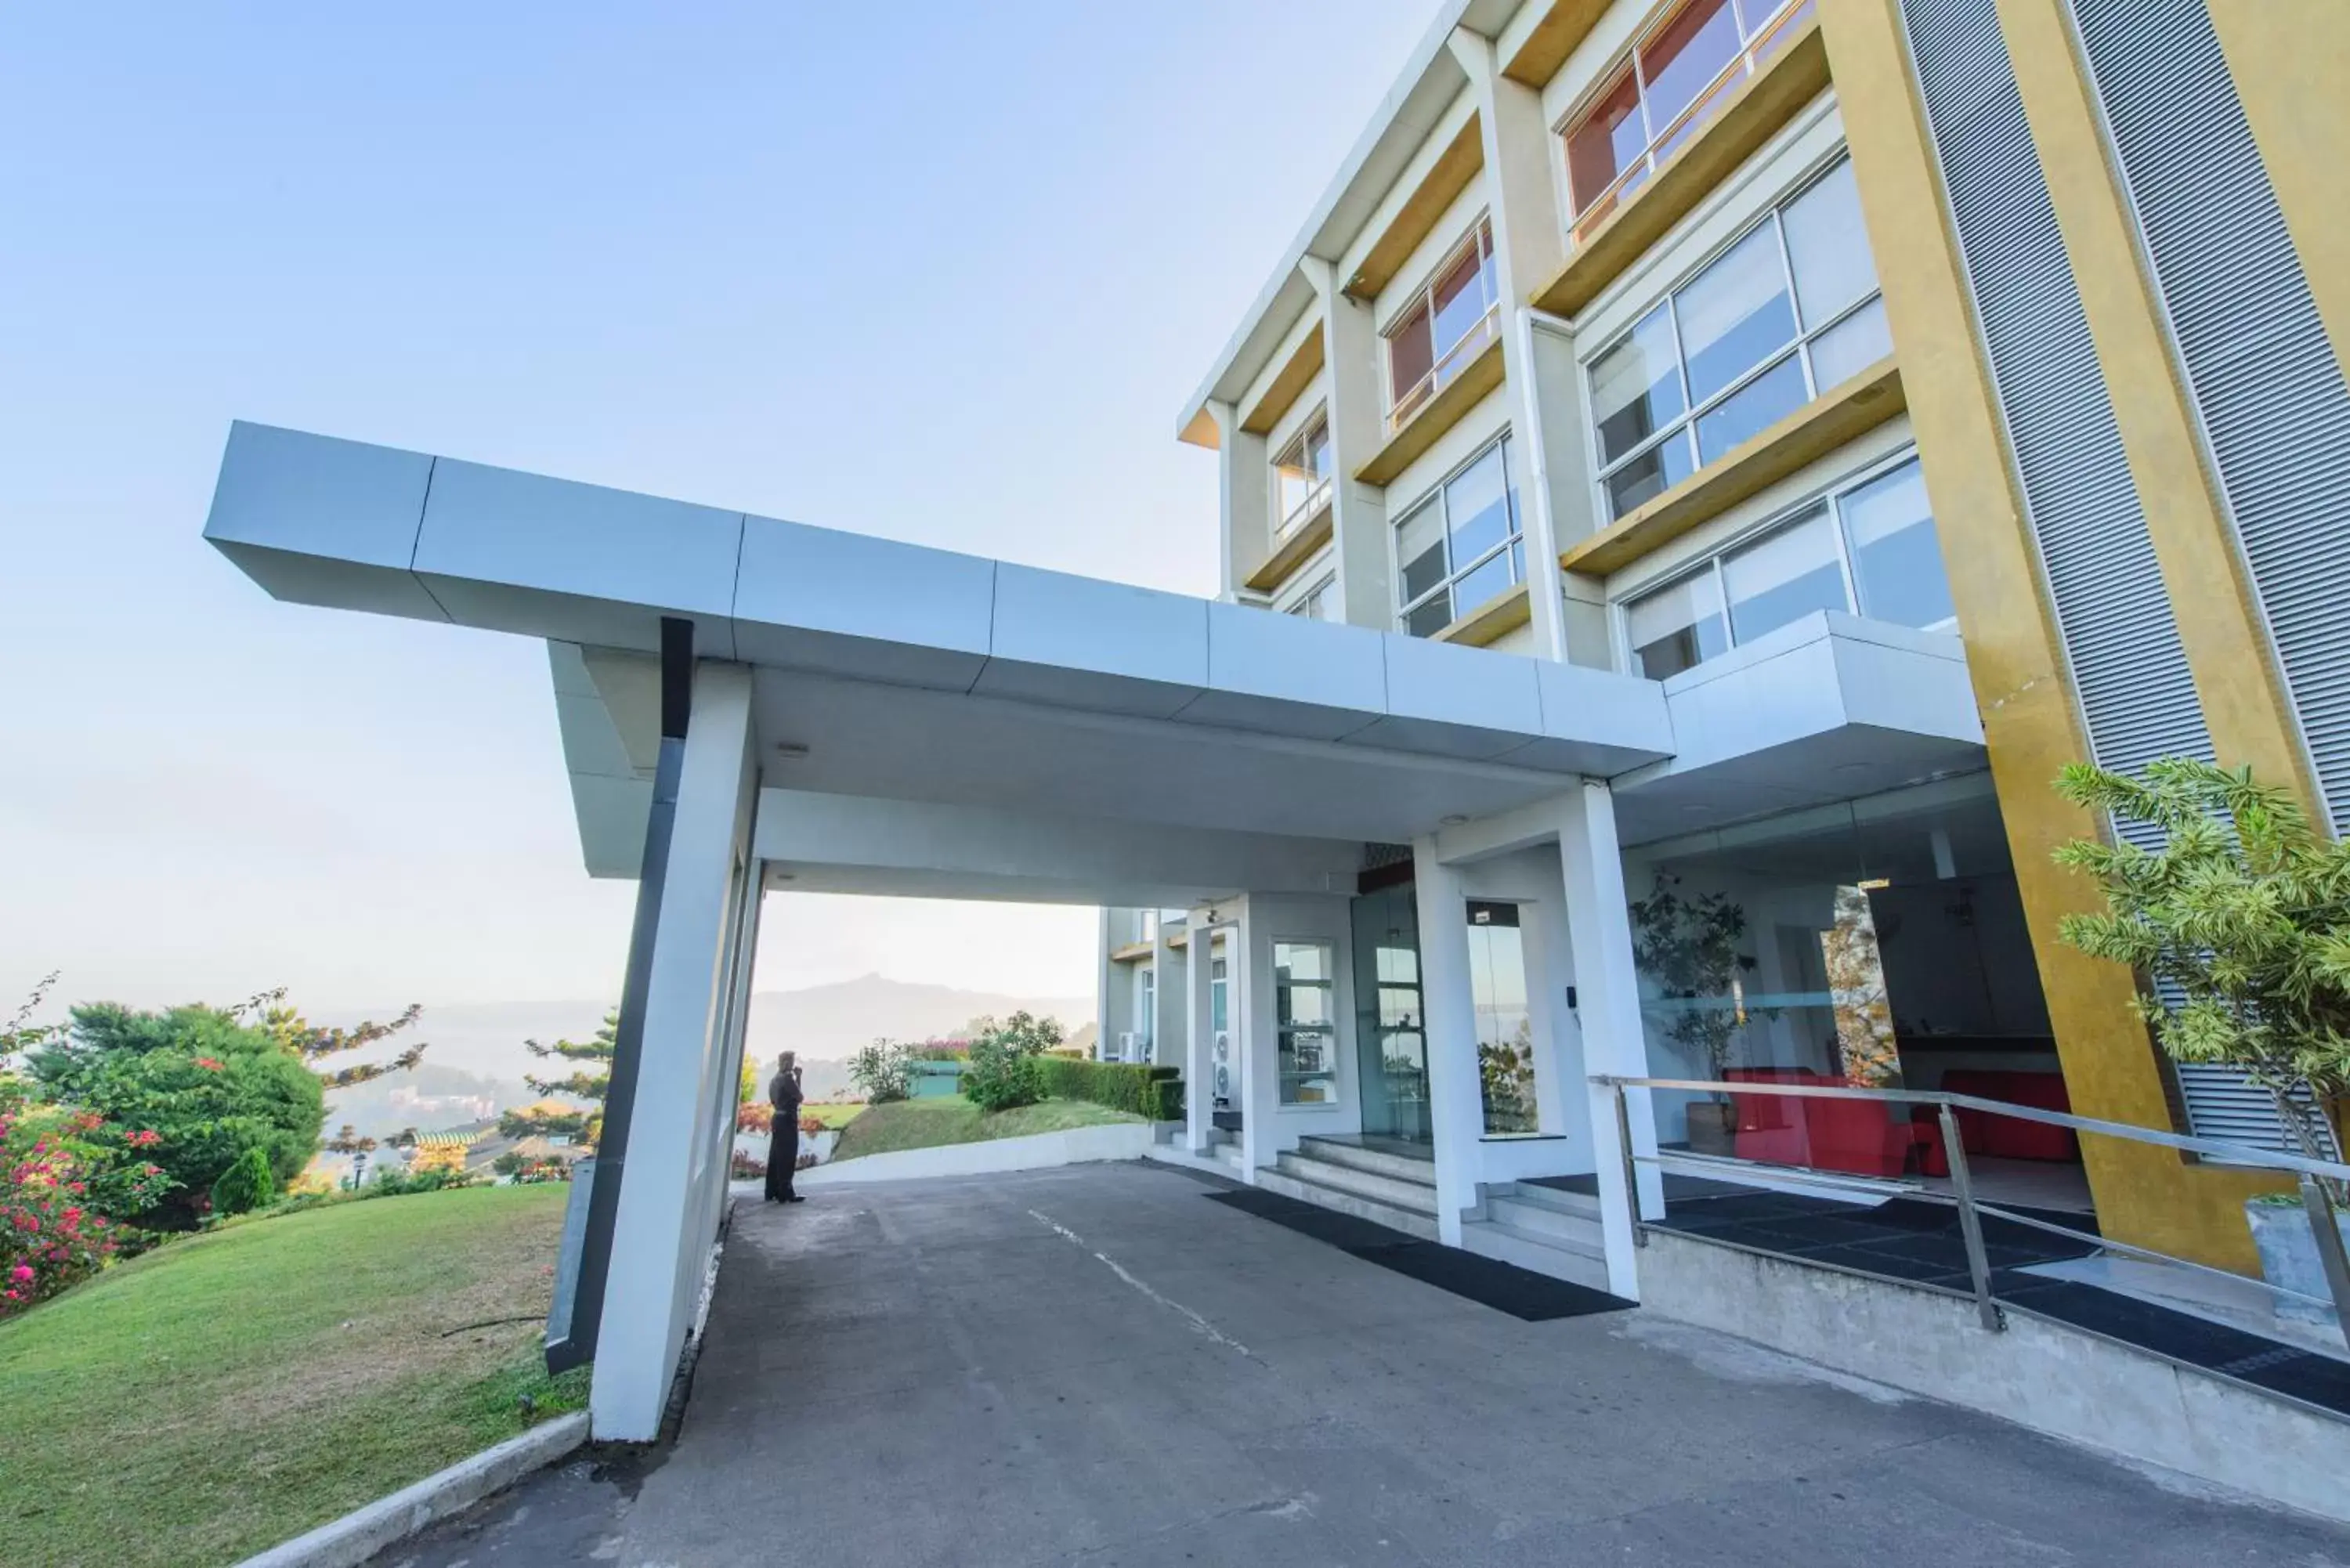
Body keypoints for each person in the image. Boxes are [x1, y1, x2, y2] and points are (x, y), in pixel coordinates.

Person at [765, 1052, 806, 1204]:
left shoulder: (774, 1080)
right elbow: (799, 1097)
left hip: (777, 1118)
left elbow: (773, 1100)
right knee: (787, 1156)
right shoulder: (788, 1078)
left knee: (776, 1156)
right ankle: (786, 1192)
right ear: (787, 1062)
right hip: (788, 1119)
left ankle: (771, 1190)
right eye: (792, 1061)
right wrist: (799, 1077)